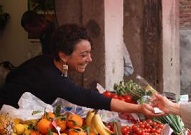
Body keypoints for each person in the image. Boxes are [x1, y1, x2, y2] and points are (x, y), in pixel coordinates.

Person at [0, 24, 157, 117]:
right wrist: (138, 108)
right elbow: (85, 97)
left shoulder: (50, 61)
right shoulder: (51, 77)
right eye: (83, 55)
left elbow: (13, 75)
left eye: (90, 52)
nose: (90, 59)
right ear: (64, 55)